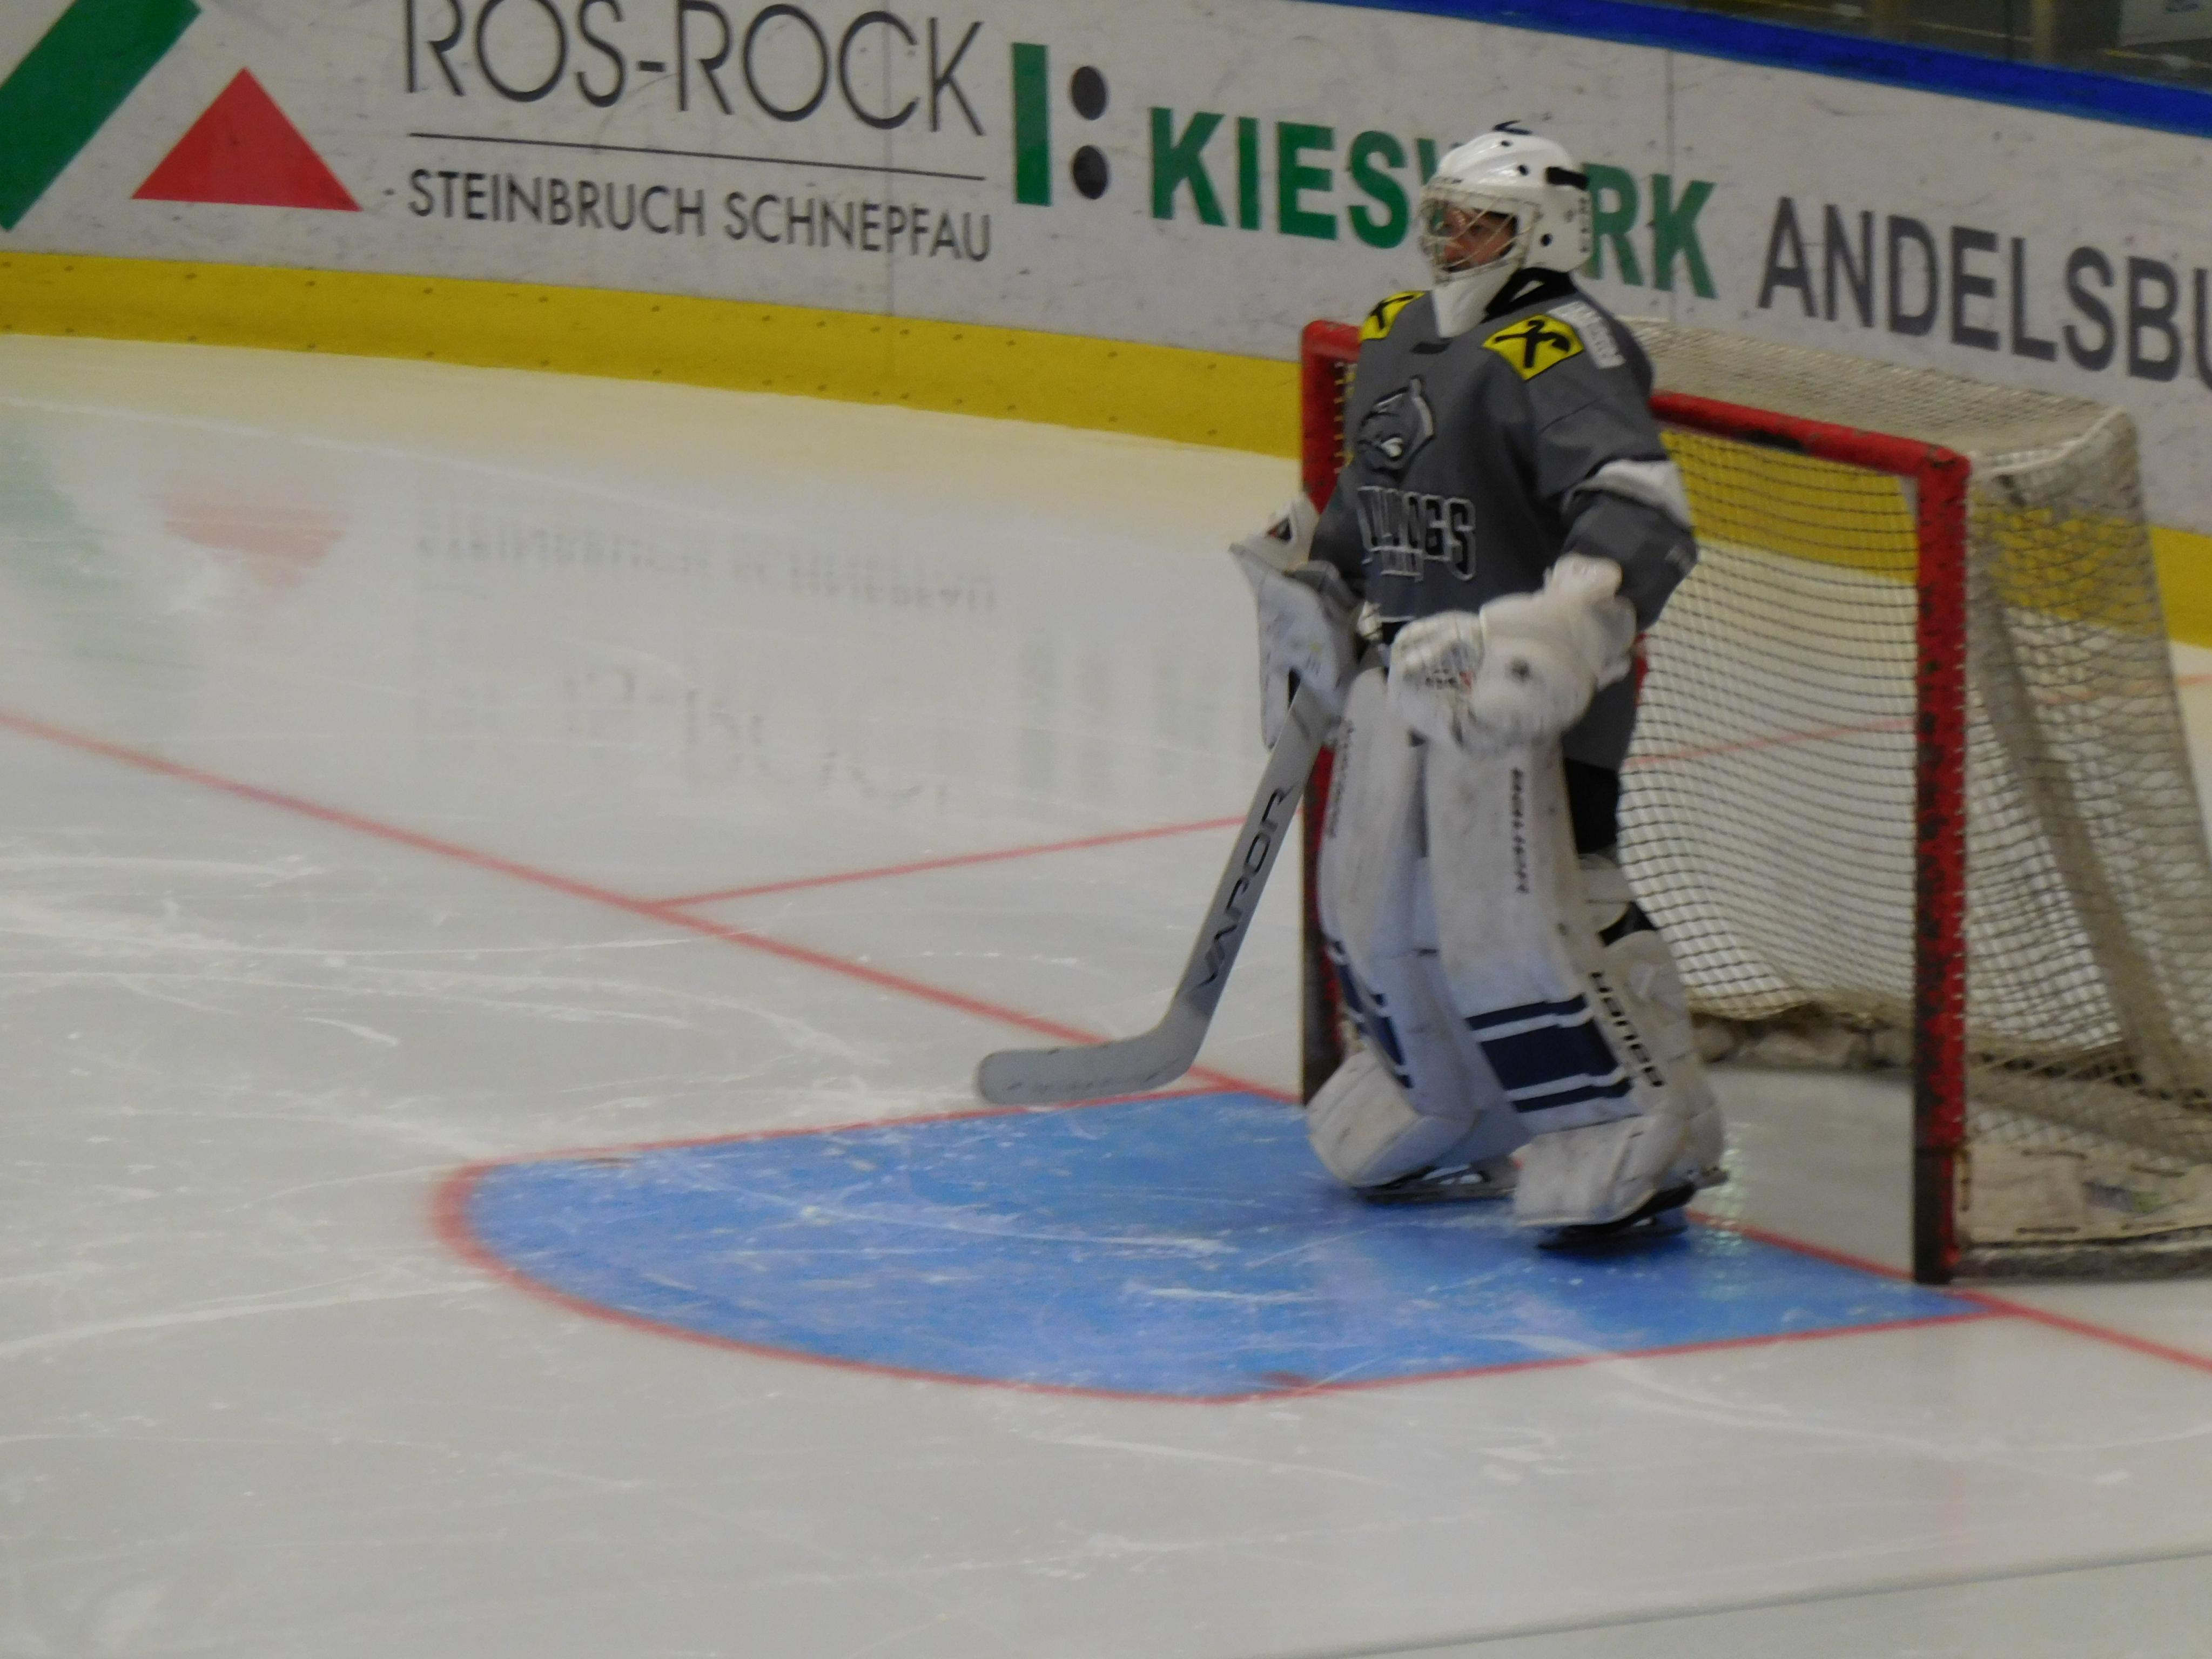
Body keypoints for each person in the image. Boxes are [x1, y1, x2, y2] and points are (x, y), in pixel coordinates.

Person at [1231, 123, 1725, 1244]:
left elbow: (1640, 505)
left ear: (1546, 232)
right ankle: (1436, 1095)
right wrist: (1318, 583)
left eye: (1482, 224)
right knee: (1378, 908)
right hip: (1403, 677)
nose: (1453, 242)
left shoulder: (1562, 344)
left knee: (1541, 904)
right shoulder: (1395, 331)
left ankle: (1646, 1122)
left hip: (1522, 689)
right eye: (1444, 220)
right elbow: (1373, 490)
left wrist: (1560, 627)